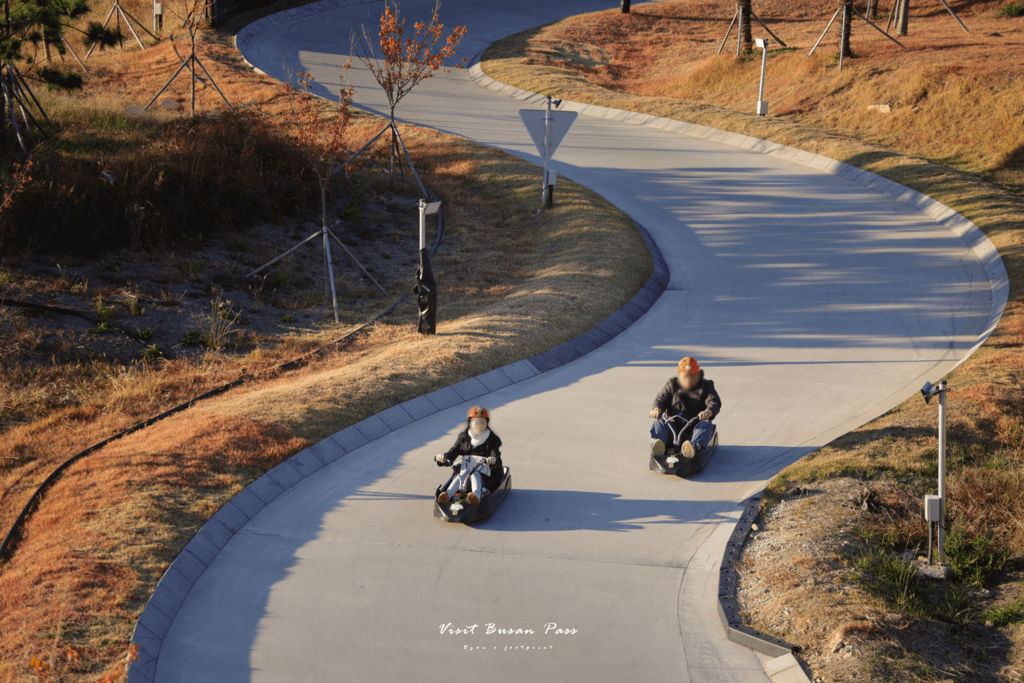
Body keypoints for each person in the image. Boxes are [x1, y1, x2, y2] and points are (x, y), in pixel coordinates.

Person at [649, 356, 721, 458]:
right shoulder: (672, 384)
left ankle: (693, 447)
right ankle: (658, 445)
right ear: (680, 375)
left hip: (693, 429)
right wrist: (657, 409)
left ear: (698, 374)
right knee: (658, 421)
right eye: (686, 376)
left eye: (692, 376)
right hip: (672, 427)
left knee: (706, 424)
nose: (689, 379)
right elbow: (661, 399)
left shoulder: (706, 386)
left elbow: (714, 402)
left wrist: (708, 411)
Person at [435, 406, 503, 505]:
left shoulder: (491, 439)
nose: (479, 425)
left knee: (474, 473)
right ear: (470, 423)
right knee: (462, 473)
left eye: (482, 422)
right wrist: (444, 458)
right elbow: (453, 452)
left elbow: (496, 455)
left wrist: (493, 460)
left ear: (487, 423)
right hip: (465, 473)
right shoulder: (464, 438)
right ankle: (447, 495)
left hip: (487, 476)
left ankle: (476, 496)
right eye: (476, 422)